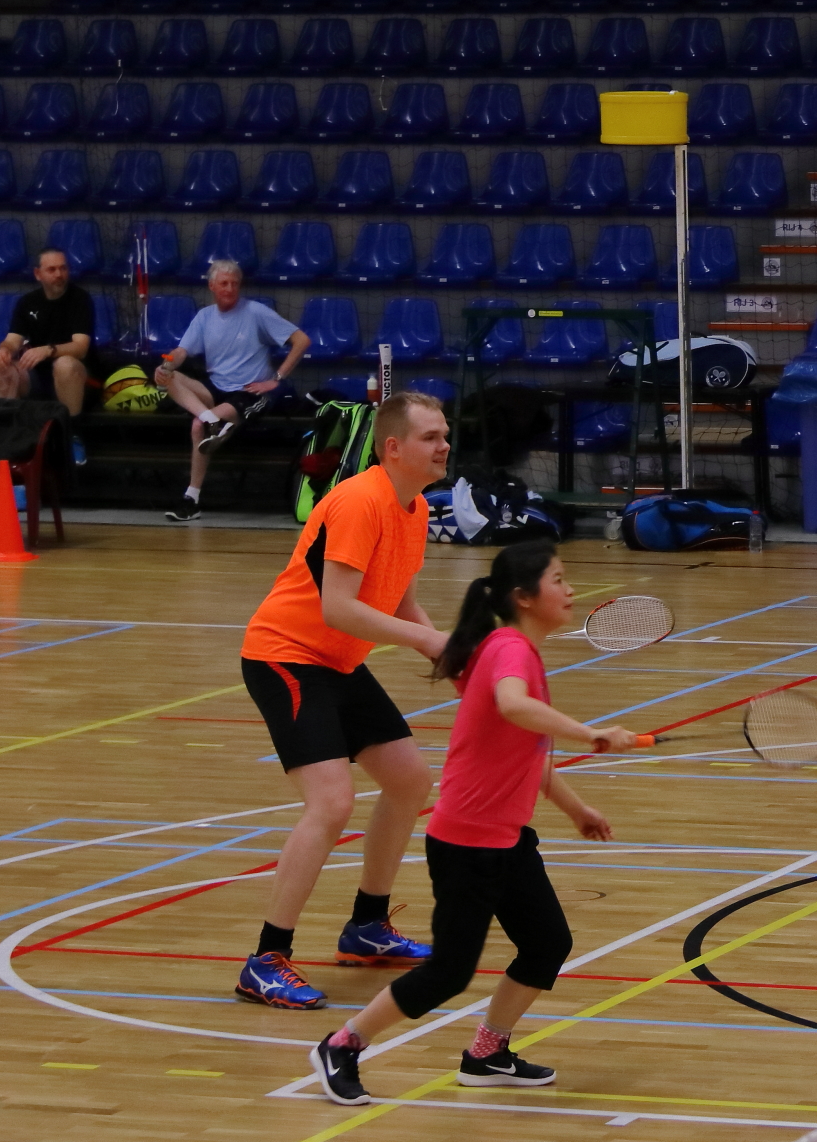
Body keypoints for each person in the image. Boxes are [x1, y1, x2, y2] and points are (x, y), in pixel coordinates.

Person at [307, 541, 638, 1105]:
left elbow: (528, 750)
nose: (570, 590)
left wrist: (577, 809)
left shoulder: (514, 650)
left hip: (507, 839)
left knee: (547, 944)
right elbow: (512, 705)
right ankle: (342, 1044)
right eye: (558, 579)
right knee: (449, 972)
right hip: (467, 843)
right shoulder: (510, 650)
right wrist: (589, 733)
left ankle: (486, 1054)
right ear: (524, 597)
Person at [234, 391, 452, 1011]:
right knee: (331, 802)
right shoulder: (359, 501)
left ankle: (367, 927)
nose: (444, 446)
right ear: (394, 448)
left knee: (409, 780)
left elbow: (400, 601)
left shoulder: (415, 508)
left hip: (339, 661)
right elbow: (338, 607)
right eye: (431, 436)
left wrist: (447, 654)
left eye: (445, 435)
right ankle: (265, 960)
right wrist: (426, 640)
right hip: (286, 655)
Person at [155, 259, 308, 524]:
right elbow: (181, 352)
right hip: (216, 388)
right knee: (167, 376)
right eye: (224, 283)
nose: (230, 288)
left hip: (249, 391)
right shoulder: (205, 316)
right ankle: (210, 419)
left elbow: (301, 340)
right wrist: (166, 364)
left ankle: (191, 498)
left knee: (196, 426)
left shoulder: (256, 312)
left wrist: (276, 379)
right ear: (212, 286)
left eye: (235, 284)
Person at [0, 248, 92, 420]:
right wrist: (4, 351)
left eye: (63, 268)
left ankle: (71, 430)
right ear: (38, 274)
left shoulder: (80, 299)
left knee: (64, 364)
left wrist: (48, 350)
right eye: (52, 269)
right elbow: (12, 341)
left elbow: (81, 348)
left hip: (76, 377)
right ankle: (8, 431)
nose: (59, 274)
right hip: (37, 376)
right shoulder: (27, 302)